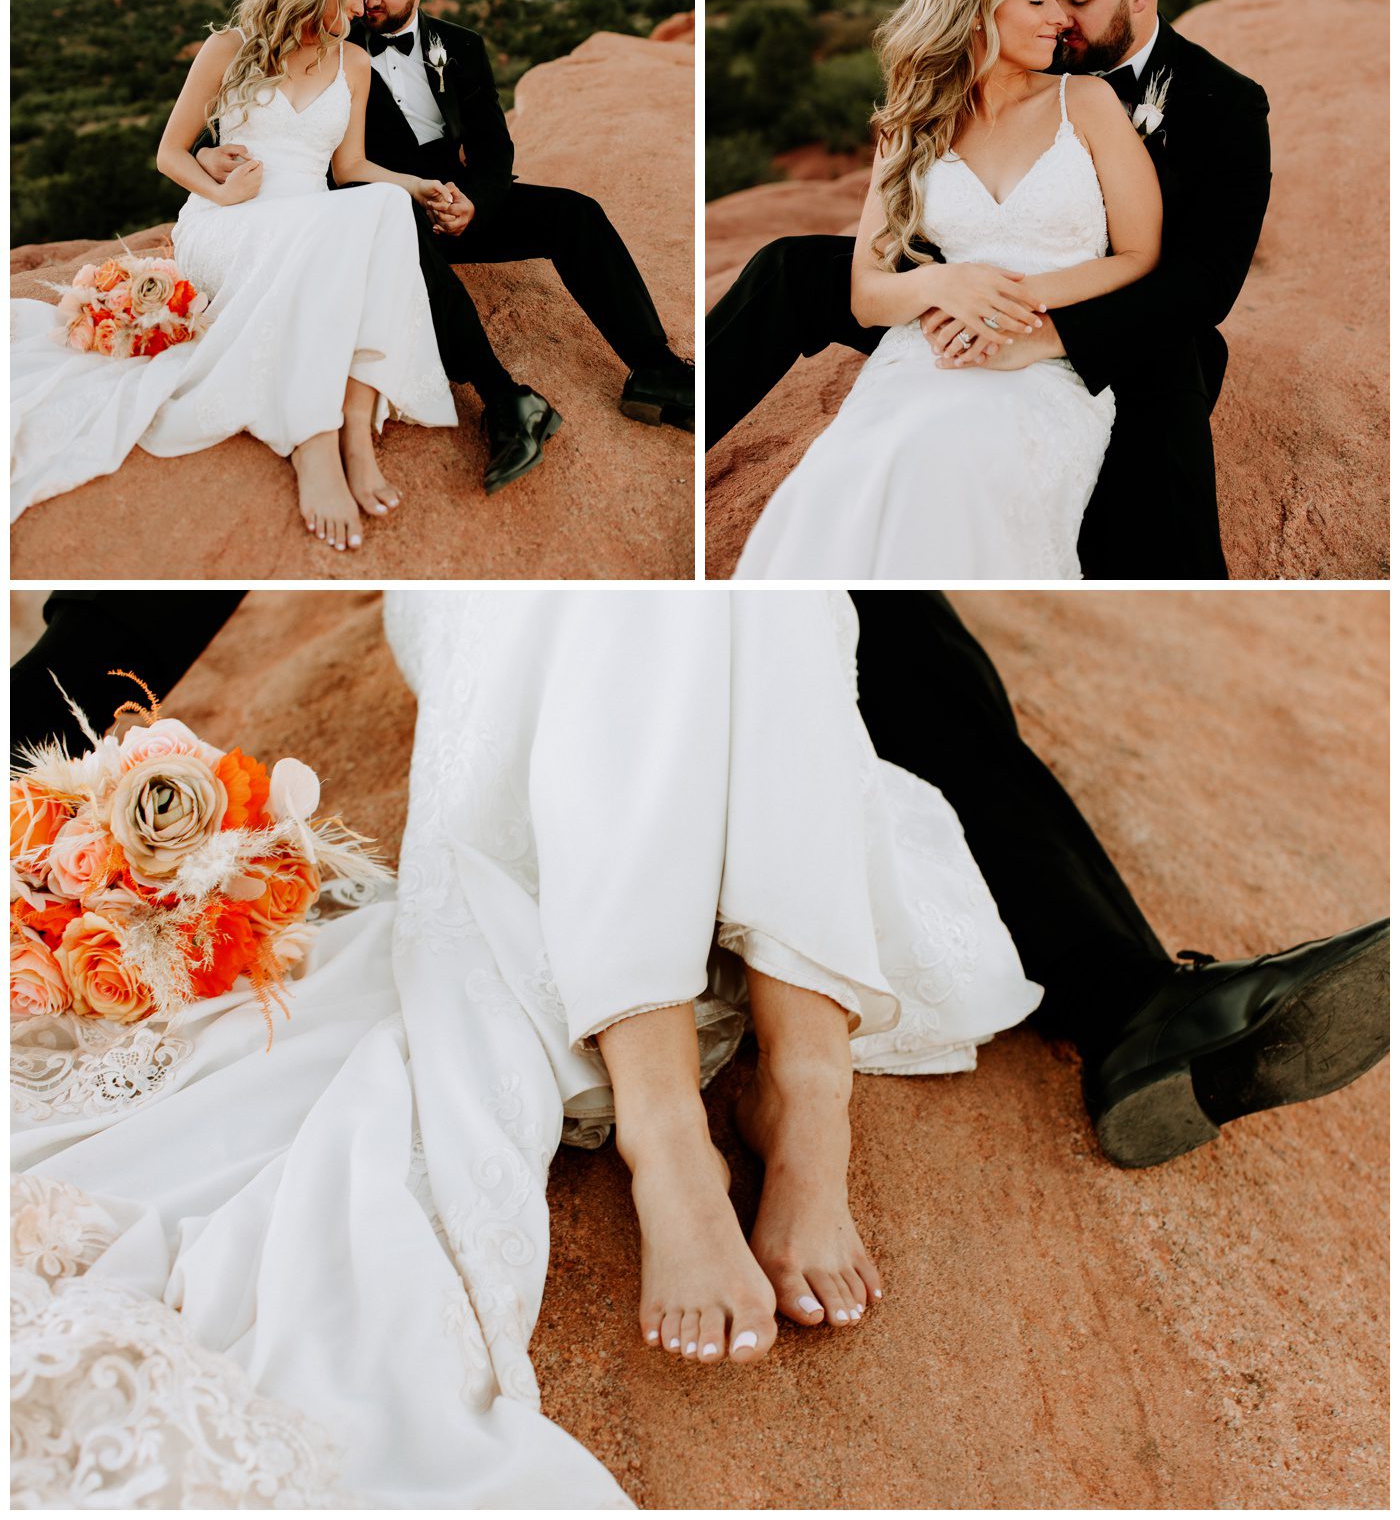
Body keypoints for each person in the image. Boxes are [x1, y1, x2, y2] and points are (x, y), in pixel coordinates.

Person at [11, 590, 1043, 1505]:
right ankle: (671, 1130)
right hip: (497, 612)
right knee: (638, 604)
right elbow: (139, 610)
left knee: (773, 597)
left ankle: (804, 1092)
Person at [12, 588, 1387, 1174]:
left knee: (846, 617)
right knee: (880, 654)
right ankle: (1131, 999)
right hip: (516, 607)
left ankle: (1142, 1008)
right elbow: (145, 606)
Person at [710, 0, 1272, 580]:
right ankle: (692, 398)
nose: (1061, 17)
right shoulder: (953, 100)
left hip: (1113, 309)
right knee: (790, 268)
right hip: (951, 286)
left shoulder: (1222, 102)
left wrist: (1036, 324)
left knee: (1168, 385)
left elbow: (1199, 279)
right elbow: (886, 262)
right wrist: (942, 287)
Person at [197, 0, 695, 494]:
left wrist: (474, 205)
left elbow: (493, 145)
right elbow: (243, 118)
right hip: (376, 203)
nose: (371, 1)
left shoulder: (461, 45)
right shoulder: (331, 40)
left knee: (574, 213)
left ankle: (655, 370)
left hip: (455, 197)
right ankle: (504, 402)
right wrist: (208, 154)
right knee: (393, 221)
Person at [10, 0, 460, 551]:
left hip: (311, 217)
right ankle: (314, 438)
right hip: (228, 220)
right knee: (350, 229)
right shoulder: (229, 48)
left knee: (379, 203)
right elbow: (170, 153)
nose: (363, 9)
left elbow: (351, 168)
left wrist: (419, 185)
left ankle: (357, 423)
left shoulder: (354, 63)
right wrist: (220, 192)